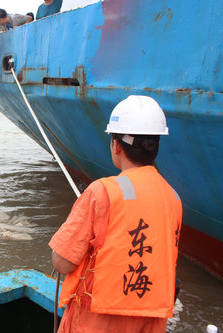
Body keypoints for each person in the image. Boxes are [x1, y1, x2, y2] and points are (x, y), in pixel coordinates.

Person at [49, 95, 182, 332]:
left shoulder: (102, 192)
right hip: (149, 322)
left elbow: (62, 262)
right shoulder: (173, 197)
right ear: (157, 146)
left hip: (97, 322)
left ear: (116, 145)